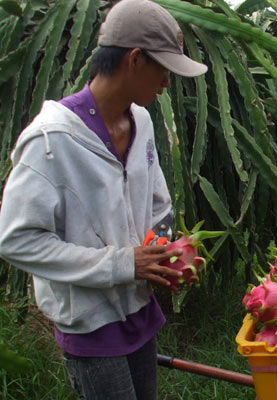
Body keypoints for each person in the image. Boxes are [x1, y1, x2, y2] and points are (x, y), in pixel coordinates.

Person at [0, 1, 207, 399]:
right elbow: (16, 240)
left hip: (140, 312)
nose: (167, 83)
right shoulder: (51, 141)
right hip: (91, 325)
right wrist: (121, 263)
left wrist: (164, 257)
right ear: (134, 59)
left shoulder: (142, 121)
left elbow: (158, 204)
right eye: (163, 69)